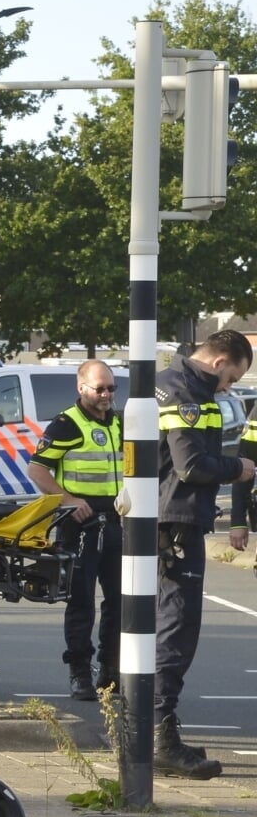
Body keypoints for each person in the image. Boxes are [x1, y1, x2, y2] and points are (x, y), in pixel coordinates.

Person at [153, 330, 256, 779]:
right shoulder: (185, 393)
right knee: (175, 629)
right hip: (176, 520)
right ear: (219, 361)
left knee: (157, 626)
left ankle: (148, 730)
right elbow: (190, 464)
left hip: (163, 518)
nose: (230, 386)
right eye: (232, 376)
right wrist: (240, 468)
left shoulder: (166, 380)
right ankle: (159, 737)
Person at [25, 361, 122, 702]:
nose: (107, 394)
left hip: (116, 521)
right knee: (81, 601)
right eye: (100, 389)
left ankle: (110, 670)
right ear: (82, 388)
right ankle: (80, 671)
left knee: (120, 600)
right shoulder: (67, 424)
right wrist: (67, 500)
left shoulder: (119, 422)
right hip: (80, 525)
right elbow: (37, 469)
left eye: (111, 388)